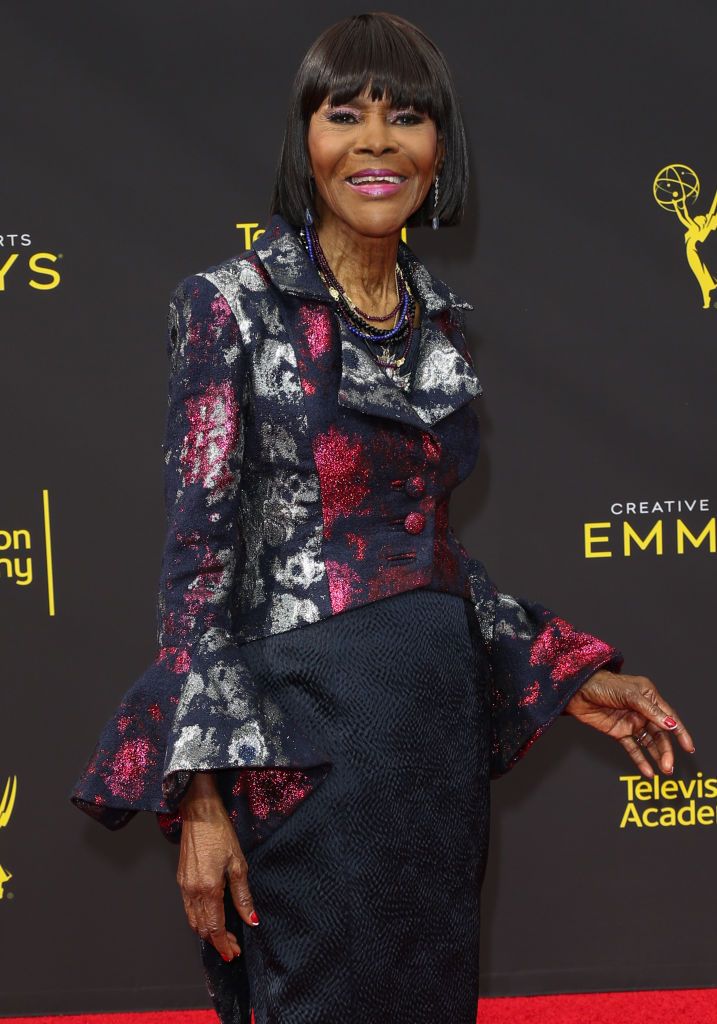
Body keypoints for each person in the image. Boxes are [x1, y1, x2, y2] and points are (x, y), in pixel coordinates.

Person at [69, 13, 695, 1024]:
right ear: (303, 139)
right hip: (301, 745)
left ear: (438, 147)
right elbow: (197, 565)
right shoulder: (233, 305)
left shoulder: (433, 317)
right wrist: (198, 795)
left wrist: (570, 669)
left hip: (429, 744)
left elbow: (422, 556)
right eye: (344, 113)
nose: (375, 142)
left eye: (407, 117)